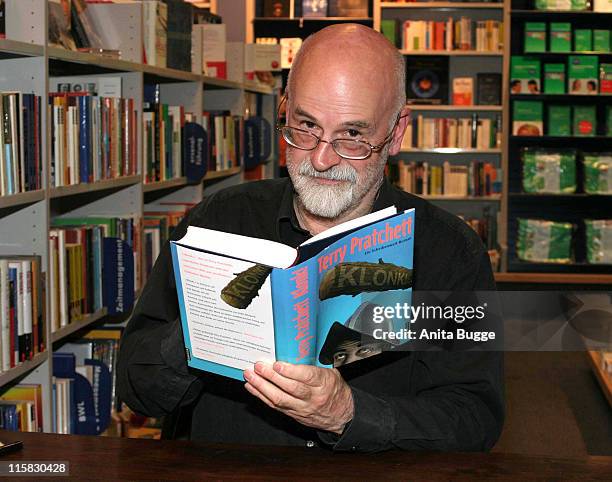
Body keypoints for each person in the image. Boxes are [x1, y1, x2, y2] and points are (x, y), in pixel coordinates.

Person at [117, 24, 504, 452]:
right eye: (305, 125)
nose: (321, 158)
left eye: (353, 135)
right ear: (284, 110)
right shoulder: (219, 220)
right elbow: (138, 390)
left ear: (395, 134)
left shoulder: (448, 252)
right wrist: (199, 332)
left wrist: (347, 413)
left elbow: (473, 420)